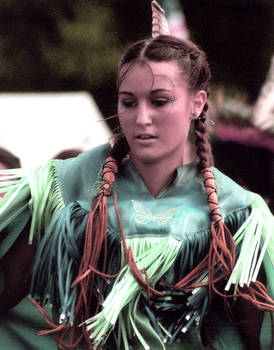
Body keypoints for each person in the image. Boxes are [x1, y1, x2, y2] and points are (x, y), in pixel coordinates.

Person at [0, 2, 273, 350]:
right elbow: (8, 290)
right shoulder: (65, 189)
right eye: (129, 103)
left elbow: (253, 337)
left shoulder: (238, 215)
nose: (142, 118)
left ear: (198, 104)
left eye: (160, 101)